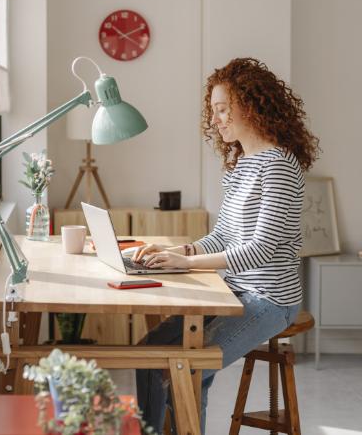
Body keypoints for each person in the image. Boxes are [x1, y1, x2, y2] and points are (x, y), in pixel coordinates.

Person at [134, 57, 320, 433]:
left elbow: (261, 249)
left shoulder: (280, 166)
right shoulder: (241, 164)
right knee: (149, 353)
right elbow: (222, 236)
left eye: (222, 109)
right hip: (234, 291)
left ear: (250, 106)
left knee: (188, 369)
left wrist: (186, 265)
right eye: (214, 111)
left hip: (270, 299)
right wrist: (178, 253)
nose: (215, 120)